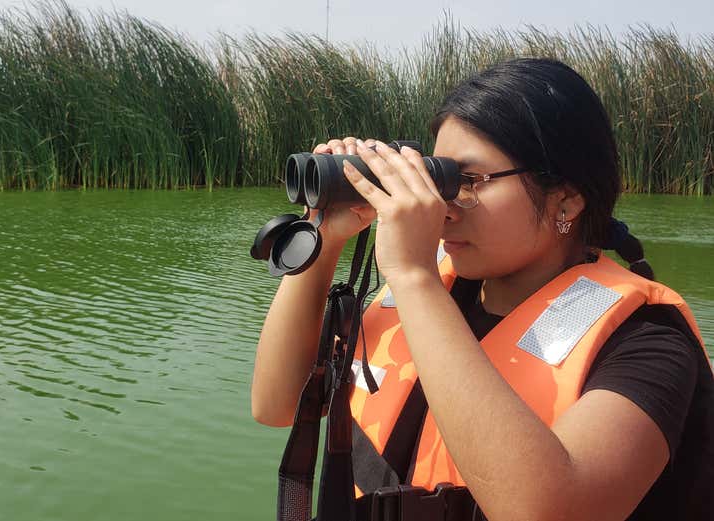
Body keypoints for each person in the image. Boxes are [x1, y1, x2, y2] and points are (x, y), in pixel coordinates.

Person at [252, 58, 713, 521]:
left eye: (468, 182)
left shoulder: (648, 342)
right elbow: (275, 404)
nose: (443, 207)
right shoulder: (433, 293)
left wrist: (413, 276)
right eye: (438, 178)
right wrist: (327, 237)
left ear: (567, 199)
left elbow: (550, 510)